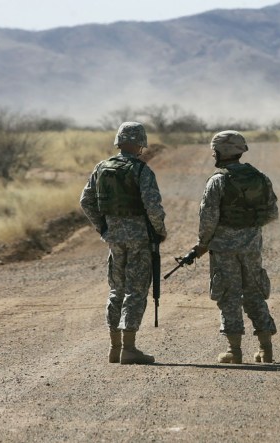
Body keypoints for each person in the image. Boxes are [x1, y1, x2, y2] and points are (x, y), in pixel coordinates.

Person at [80, 122, 167, 365]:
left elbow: (85, 201)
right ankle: (129, 349)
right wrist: (159, 232)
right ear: (141, 143)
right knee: (136, 290)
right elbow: (153, 208)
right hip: (140, 238)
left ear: (118, 141)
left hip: (114, 238)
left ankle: (114, 347)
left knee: (117, 288)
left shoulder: (101, 167)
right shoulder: (141, 170)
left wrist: (104, 227)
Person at [191, 130, 279, 364]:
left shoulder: (218, 181)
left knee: (229, 295)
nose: (213, 155)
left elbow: (208, 218)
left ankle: (234, 350)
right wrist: (249, 230)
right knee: (254, 292)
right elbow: (272, 212)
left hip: (224, 248)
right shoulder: (260, 178)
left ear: (222, 152)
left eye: (215, 151)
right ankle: (265, 348)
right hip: (251, 245)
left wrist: (202, 244)